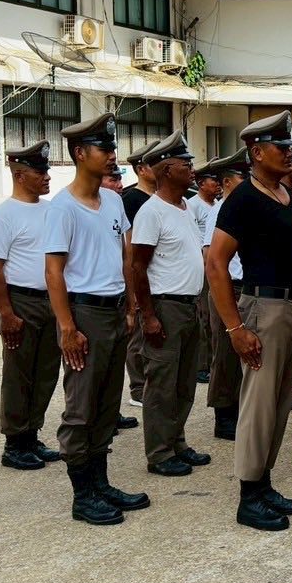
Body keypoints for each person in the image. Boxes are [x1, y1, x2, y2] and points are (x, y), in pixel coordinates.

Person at [205, 113, 292, 532]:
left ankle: (264, 482)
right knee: (259, 404)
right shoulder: (243, 199)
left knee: (280, 403)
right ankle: (249, 497)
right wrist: (235, 328)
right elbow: (216, 263)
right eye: (279, 147)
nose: (288, 152)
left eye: (288, 146)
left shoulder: (285, 194)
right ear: (257, 152)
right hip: (264, 309)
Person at [45, 114, 150, 525]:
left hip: (114, 309)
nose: (111, 155)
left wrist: (131, 306)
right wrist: (67, 328)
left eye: (112, 148)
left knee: (107, 403)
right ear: (79, 153)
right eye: (103, 149)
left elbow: (125, 255)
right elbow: (54, 272)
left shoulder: (112, 201)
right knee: (81, 406)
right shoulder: (63, 207)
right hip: (84, 313)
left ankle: (101, 483)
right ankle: (82, 494)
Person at [130, 132, 213, 477]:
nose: (192, 169)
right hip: (165, 307)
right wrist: (148, 316)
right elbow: (138, 266)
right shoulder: (152, 212)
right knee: (162, 385)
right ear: (166, 170)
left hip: (189, 305)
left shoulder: (186, 207)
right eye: (185, 164)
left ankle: (177, 441)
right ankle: (160, 453)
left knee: (183, 382)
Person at [0, 140, 63, 471]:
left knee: (46, 372)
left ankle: (31, 434)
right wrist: (6, 314)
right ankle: (14, 442)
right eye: (39, 171)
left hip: (50, 301)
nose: (47, 176)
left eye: (46, 170)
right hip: (20, 302)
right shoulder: (4, 215)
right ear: (19, 175)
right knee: (19, 374)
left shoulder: (52, 210)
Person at [203, 150, 249, 442]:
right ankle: (224, 414)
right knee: (225, 353)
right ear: (228, 182)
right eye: (243, 177)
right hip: (228, 287)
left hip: (247, 286)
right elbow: (211, 257)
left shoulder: (246, 207)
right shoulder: (219, 211)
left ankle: (239, 407)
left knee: (245, 353)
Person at [121, 144, 157, 410]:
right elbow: (131, 248)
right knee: (137, 337)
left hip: (158, 279)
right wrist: (132, 290)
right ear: (141, 169)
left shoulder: (158, 198)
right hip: (140, 274)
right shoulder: (132, 199)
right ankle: (137, 388)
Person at [188, 162, 223, 384]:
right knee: (203, 316)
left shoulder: (217, 204)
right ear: (201, 183)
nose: (218, 185)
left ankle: (212, 361)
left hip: (216, 265)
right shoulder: (193, 205)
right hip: (202, 266)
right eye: (213, 181)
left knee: (215, 317)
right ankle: (202, 364)